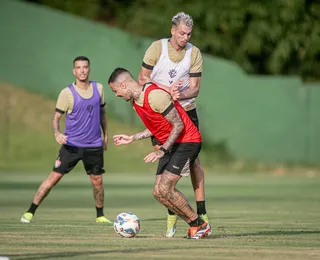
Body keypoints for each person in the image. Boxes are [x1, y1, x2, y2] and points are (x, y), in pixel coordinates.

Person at [108, 67, 211, 239]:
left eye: (115, 90)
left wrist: (161, 151)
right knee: (158, 192)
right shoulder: (136, 103)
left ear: (124, 85)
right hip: (171, 145)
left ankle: (200, 224)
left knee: (165, 187)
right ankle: (196, 224)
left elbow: (179, 125)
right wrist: (132, 138)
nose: (116, 95)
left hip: (187, 141)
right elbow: (154, 127)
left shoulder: (154, 96)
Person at [138, 12, 210, 237]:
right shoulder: (156, 48)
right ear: (172, 31)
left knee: (195, 163)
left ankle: (202, 214)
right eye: (181, 33)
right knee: (164, 165)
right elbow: (142, 80)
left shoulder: (194, 53)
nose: (185, 37)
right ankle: (172, 216)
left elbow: (195, 88)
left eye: (189, 34)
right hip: (162, 115)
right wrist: (165, 91)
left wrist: (181, 93)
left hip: (187, 112)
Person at [20, 56, 112, 224]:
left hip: (94, 146)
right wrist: (57, 133)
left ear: (89, 69)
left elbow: (103, 114)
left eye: (85, 67)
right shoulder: (66, 93)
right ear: (74, 71)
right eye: (79, 67)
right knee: (52, 179)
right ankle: (30, 211)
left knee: (97, 182)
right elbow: (56, 118)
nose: (82, 70)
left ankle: (100, 215)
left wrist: (105, 136)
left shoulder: (98, 88)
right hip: (71, 146)